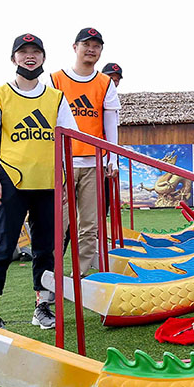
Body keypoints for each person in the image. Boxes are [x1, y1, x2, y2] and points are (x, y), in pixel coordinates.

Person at [0, 33, 75, 330]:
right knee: (3, 246)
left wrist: (65, 180)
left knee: (45, 248)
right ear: (14, 59)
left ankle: (41, 307)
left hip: (48, 181)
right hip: (10, 179)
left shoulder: (56, 97)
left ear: (44, 58)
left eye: (36, 51)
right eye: (23, 52)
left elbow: (69, 140)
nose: (29, 56)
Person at [51, 28, 121, 271]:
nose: (91, 49)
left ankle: (80, 275)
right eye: (86, 44)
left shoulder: (105, 83)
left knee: (90, 225)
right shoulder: (55, 79)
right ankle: (52, 274)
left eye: (96, 46)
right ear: (75, 47)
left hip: (93, 162)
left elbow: (110, 124)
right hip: (63, 163)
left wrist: (113, 158)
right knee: (59, 223)